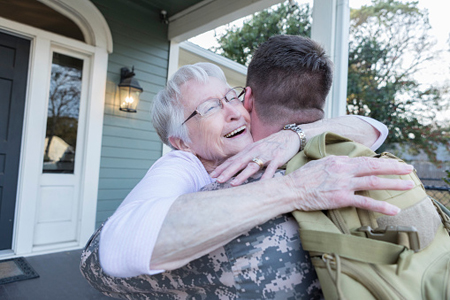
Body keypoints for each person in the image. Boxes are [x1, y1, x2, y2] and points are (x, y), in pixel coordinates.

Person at [81, 50, 413, 298]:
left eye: (230, 96)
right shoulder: (182, 165)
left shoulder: (266, 142)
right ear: (181, 141)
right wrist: (297, 189)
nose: (231, 112)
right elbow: (115, 249)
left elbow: (373, 129)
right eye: (209, 108)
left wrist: (291, 136)